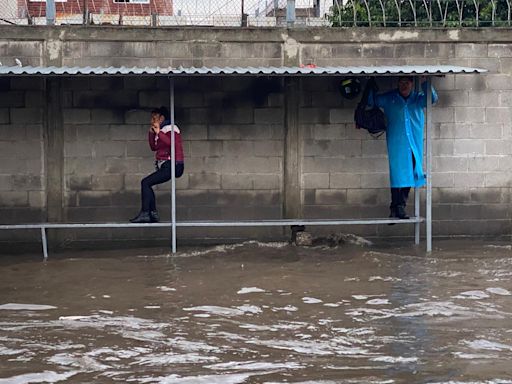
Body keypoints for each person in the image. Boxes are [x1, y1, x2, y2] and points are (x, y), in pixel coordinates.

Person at [368, 76, 438, 220]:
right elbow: (372, 101)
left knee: (412, 172)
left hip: (414, 143)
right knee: (397, 173)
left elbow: (433, 99)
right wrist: (370, 83)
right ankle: (398, 207)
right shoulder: (390, 98)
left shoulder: (418, 99)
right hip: (397, 143)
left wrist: (425, 82)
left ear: (412, 84)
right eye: (401, 83)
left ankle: (397, 207)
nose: (404, 86)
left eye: (407, 83)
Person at [130, 106, 184, 223]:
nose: (152, 120)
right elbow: (153, 147)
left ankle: (146, 213)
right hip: (164, 164)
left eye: (155, 118)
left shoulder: (171, 127)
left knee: (145, 182)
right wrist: (151, 133)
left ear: (162, 118)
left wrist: (158, 132)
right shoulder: (162, 130)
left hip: (173, 164)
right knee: (147, 184)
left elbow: (171, 143)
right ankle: (152, 213)